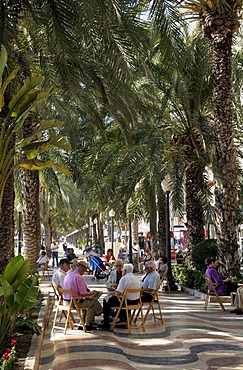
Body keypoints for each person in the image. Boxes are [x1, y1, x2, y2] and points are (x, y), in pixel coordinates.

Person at [62, 260, 103, 331]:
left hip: (65, 301)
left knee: (88, 302)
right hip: (74, 303)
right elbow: (83, 293)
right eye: (83, 271)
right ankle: (88, 324)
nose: (83, 273)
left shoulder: (68, 275)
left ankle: (83, 322)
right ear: (81, 270)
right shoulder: (78, 277)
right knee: (93, 302)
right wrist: (93, 293)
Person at [98, 263, 140, 330]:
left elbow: (118, 293)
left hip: (126, 302)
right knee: (118, 299)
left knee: (106, 300)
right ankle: (122, 319)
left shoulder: (124, 278)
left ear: (125, 271)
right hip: (136, 302)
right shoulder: (136, 278)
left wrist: (112, 294)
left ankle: (106, 323)